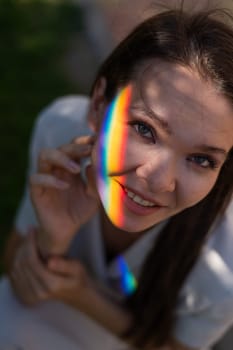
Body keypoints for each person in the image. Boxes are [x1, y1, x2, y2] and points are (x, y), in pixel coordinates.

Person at [1, 6, 233, 350]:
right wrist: (53, 238)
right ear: (97, 106)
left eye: (201, 159)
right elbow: (17, 283)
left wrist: (83, 295)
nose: (159, 180)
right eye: (145, 129)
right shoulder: (59, 130)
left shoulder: (225, 266)